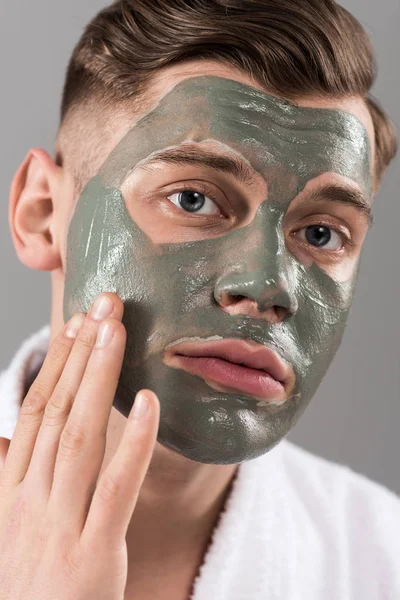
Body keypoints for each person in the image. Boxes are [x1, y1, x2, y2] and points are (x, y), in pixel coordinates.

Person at [0, 0, 399, 598]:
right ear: (42, 215)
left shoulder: (381, 558)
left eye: (321, 234)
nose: (268, 286)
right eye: (193, 199)